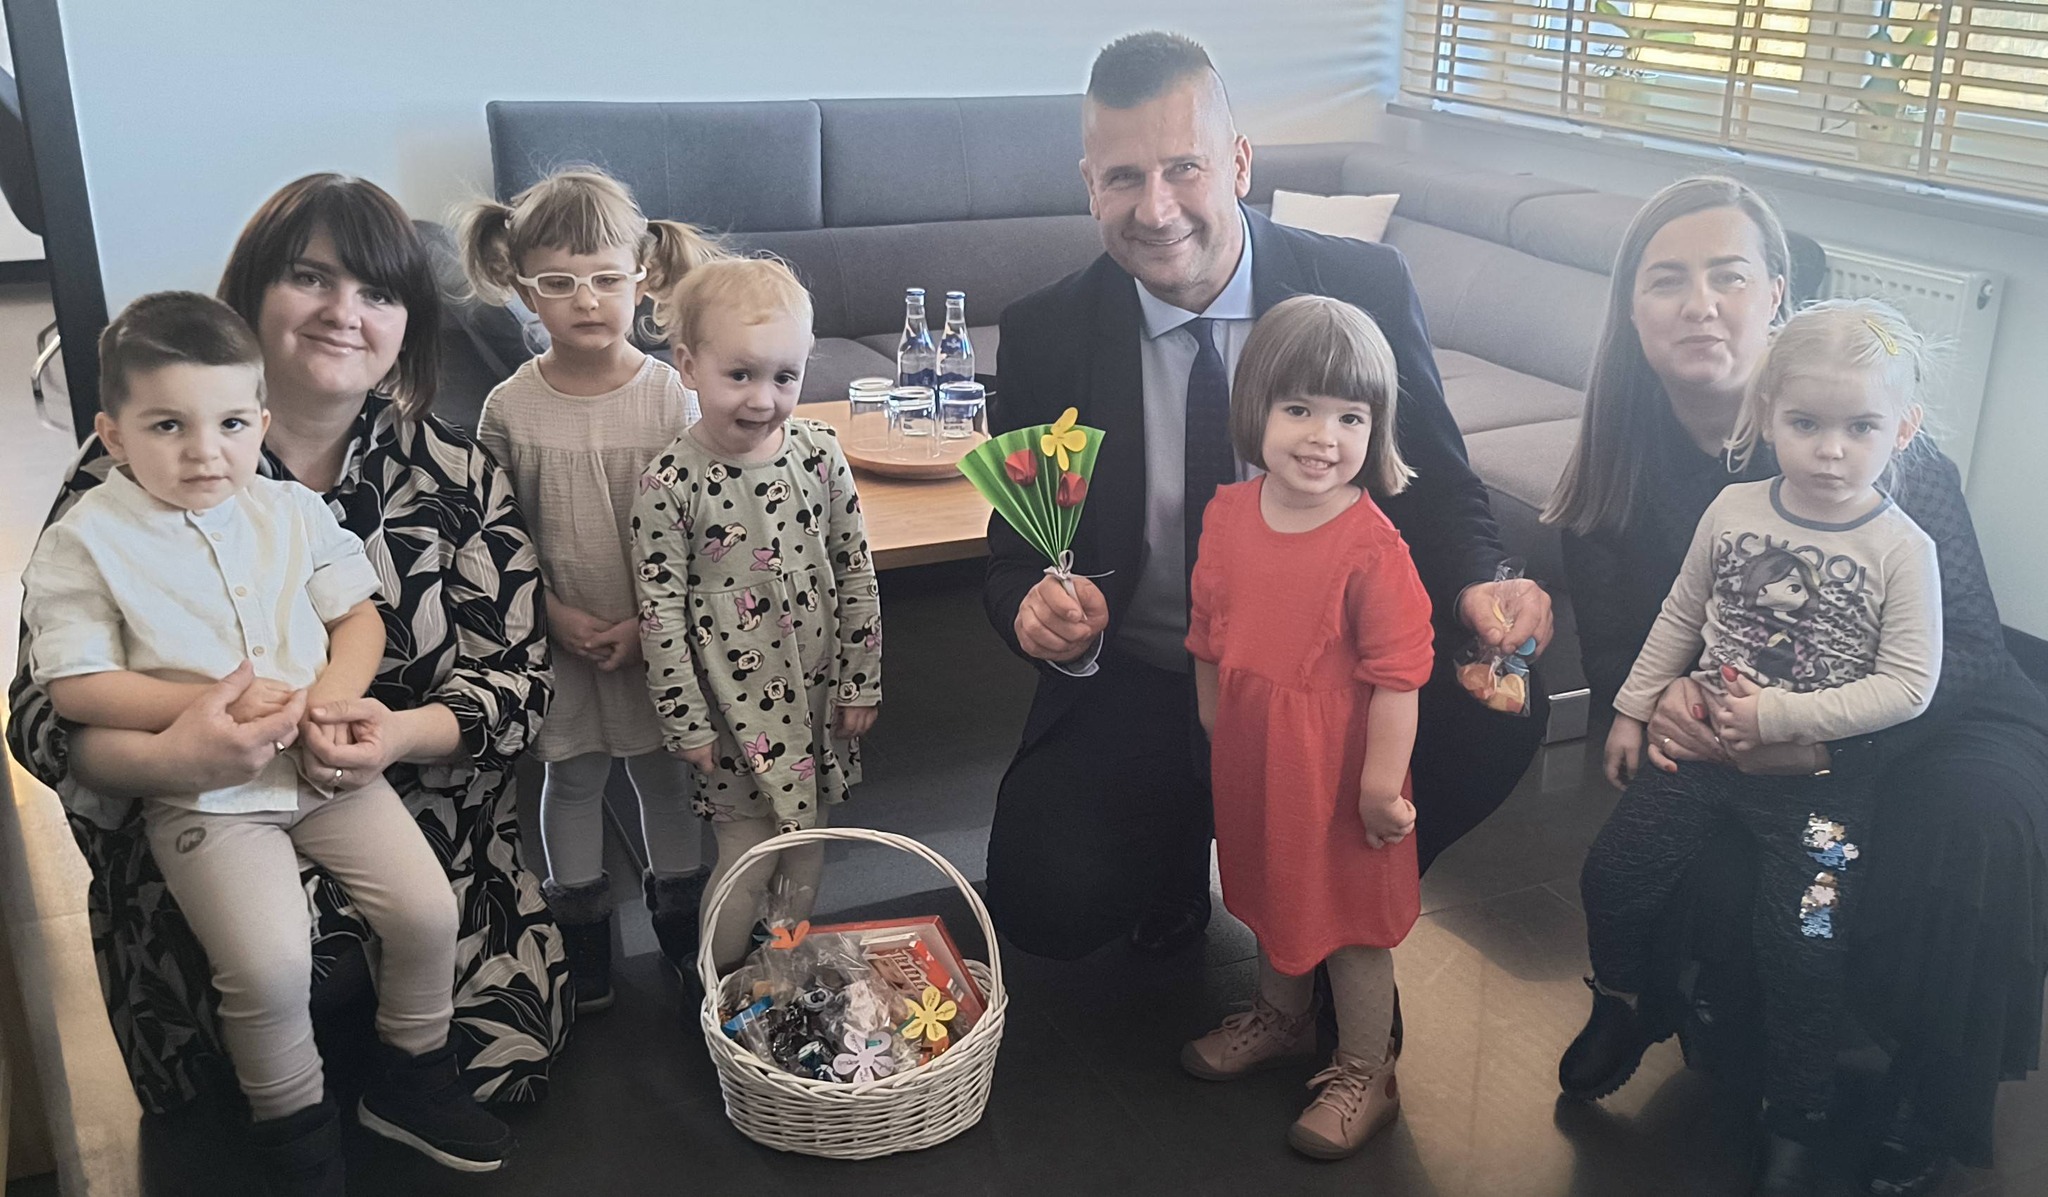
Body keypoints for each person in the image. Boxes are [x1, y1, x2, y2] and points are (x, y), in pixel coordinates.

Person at [5, 176, 567, 1148]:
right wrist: (170, 756)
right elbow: (41, 712)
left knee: (497, 1053)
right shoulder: (129, 475)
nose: (345, 312)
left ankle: (403, 1073)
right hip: (198, 824)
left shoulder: (455, 473)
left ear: (408, 322)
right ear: (252, 293)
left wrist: (395, 733)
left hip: (407, 819)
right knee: (262, 1019)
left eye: (378, 292)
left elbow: (519, 683)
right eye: (311, 278)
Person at [983, 30, 1551, 961]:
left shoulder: (1360, 286)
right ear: (1089, 185)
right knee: (1050, 900)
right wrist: (1033, 614)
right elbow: (1013, 554)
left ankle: (1347, 902)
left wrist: (1483, 580)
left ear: (1240, 163)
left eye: (1185, 167)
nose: (1156, 208)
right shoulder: (1047, 333)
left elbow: (1438, 486)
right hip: (1149, 674)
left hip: (1336, 676)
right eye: (1124, 178)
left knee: (1498, 706)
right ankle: (1178, 848)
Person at [1545, 175, 2048, 1195]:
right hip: (1737, 727)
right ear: (1629, 309)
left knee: (1979, 823)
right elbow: (1622, 660)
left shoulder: (1882, 453)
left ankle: (1927, 1095)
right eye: (1666, 280)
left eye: (1728, 275)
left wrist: (1815, 742)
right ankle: (1646, 1003)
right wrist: (1666, 705)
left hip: (1925, 716)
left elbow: (1961, 658)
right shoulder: (1611, 476)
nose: (1700, 303)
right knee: (1691, 861)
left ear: (1775, 292)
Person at [1563, 300, 1942, 1196]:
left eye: (1860, 427)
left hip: (1823, 797)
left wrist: (1779, 717)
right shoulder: (1733, 509)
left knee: (1806, 945)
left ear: (1902, 428)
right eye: (1806, 423)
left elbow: (1909, 686)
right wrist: (1632, 709)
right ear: (1767, 414)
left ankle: (1795, 1113)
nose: (1831, 450)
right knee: (1611, 874)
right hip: (1700, 761)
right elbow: (1681, 612)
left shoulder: (1903, 549)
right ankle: (1628, 999)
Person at [458, 168, 725, 1004]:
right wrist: (547, 611)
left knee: (664, 778)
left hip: (657, 639)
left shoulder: (672, 398)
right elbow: (491, 533)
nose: (586, 300)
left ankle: (682, 930)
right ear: (522, 288)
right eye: (559, 283)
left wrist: (653, 625)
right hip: (559, 637)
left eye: (606, 279)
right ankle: (582, 944)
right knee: (571, 779)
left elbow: (707, 526)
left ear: (642, 279)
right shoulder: (509, 408)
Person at [1178, 296, 1433, 1159]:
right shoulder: (1228, 514)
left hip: (1342, 774)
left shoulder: (1373, 548)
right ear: (1257, 408)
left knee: (1352, 923)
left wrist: (1380, 786)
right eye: (1299, 409)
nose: (1324, 436)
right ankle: (1282, 1018)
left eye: (1350, 416)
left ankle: (1367, 1068)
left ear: (1375, 426)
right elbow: (1207, 630)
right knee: (1269, 889)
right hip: (1256, 758)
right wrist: (1215, 717)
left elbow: (1400, 676)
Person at [630, 257, 882, 970]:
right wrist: (685, 721)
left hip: (817, 696)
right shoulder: (668, 484)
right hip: (732, 712)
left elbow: (855, 569)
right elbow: (659, 615)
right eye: (740, 374)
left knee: (807, 845)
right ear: (688, 365)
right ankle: (714, 985)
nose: (763, 399)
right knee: (747, 851)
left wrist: (861, 680)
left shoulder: (821, 454)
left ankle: (778, 977)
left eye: (784, 377)